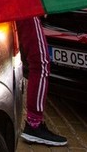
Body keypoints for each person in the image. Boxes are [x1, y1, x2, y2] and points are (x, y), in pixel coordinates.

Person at [16, 16, 68, 146]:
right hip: (26, 12)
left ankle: (32, 122)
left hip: (16, 12)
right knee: (40, 64)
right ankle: (34, 124)